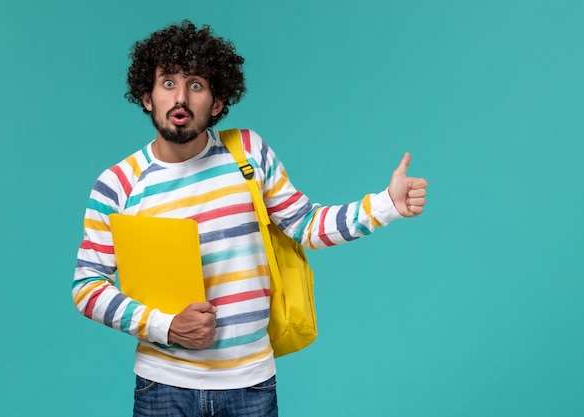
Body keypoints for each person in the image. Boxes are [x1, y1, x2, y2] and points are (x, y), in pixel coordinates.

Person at [72, 20, 428, 417]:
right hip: (163, 385)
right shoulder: (117, 184)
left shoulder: (248, 153)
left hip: (251, 385)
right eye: (168, 83)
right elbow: (87, 287)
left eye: (196, 85)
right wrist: (166, 327)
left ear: (218, 102)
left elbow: (306, 225)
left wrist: (386, 206)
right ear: (147, 97)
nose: (181, 98)